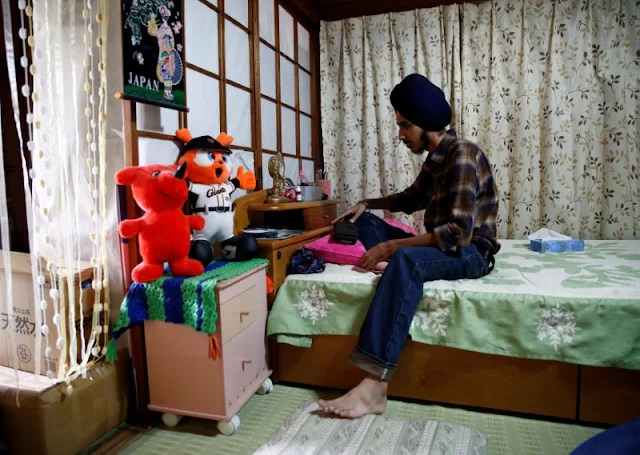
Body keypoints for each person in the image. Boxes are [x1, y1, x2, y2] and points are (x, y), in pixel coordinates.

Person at [317, 74, 500, 419]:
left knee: (405, 261)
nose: (400, 134)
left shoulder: (462, 155)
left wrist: (392, 249)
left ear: (426, 124)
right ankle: (392, 259)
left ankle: (374, 387)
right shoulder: (436, 158)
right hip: (448, 246)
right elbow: (410, 198)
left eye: (404, 125)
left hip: (471, 251)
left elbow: (459, 232)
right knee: (366, 223)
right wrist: (366, 204)